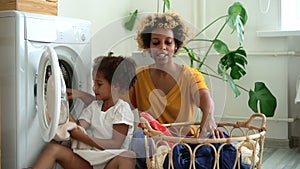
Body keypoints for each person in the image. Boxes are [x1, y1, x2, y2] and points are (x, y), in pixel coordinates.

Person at [129, 12, 224, 168]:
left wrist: (209, 120)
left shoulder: (190, 75)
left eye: (168, 42)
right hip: (154, 142)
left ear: (176, 46)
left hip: (185, 143)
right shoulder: (139, 76)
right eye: (156, 42)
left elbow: (206, 100)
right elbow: (123, 106)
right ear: (148, 46)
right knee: (139, 138)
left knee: (227, 148)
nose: (162, 47)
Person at [33, 53, 137, 169]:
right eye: (94, 83)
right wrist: (60, 107)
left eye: (99, 84)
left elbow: (115, 144)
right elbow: (77, 127)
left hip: (110, 162)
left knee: (128, 156)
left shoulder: (122, 109)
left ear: (115, 86)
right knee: (52, 149)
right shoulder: (94, 107)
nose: (94, 88)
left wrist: (83, 137)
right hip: (89, 161)